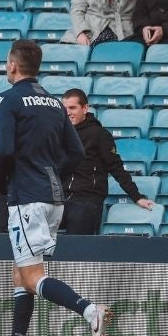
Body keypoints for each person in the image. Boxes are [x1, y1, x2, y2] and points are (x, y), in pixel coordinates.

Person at [0, 39, 111, 336]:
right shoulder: (55, 104)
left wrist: (2, 182)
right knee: (21, 273)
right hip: (52, 197)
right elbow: (76, 153)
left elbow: (7, 150)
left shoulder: (8, 98)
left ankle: (89, 311)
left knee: (31, 276)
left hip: (26, 196)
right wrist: (52, 174)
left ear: (12, 65)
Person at [61, 89, 156, 235]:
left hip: (87, 200)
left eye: (72, 108)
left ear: (85, 108)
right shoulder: (59, 133)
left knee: (76, 245)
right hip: (60, 199)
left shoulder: (99, 134)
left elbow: (116, 167)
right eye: (64, 108)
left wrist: (137, 197)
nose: (67, 113)